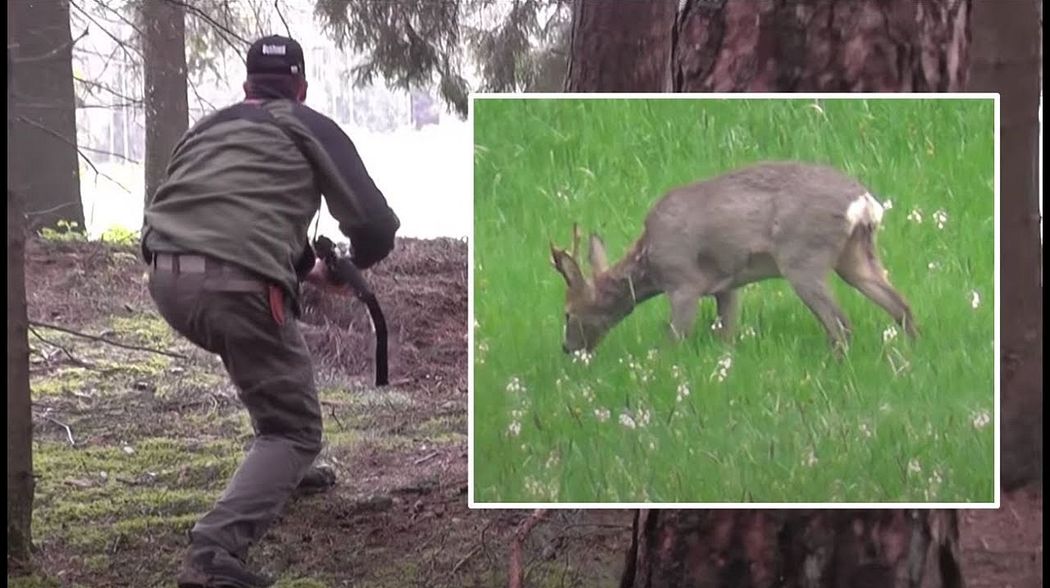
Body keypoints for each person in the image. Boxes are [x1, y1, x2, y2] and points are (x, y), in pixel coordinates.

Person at [140, 35, 400, 588]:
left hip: (164, 274)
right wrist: (355, 262)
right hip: (237, 284)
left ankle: (280, 472)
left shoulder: (208, 129)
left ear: (246, 87)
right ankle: (214, 553)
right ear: (301, 89)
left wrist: (308, 268)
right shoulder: (308, 124)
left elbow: (226, 207)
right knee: (294, 427)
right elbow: (375, 223)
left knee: (267, 367)